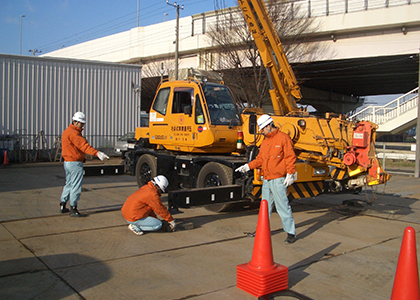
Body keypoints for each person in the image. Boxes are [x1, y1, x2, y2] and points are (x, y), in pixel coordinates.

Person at [235, 114, 297, 244]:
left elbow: (290, 157)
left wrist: (290, 174)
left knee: (282, 207)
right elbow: (260, 160)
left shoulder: (283, 138)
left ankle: (290, 233)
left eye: (263, 129)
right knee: (264, 208)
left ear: (269, 126)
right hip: (267, 179)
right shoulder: (265, 142)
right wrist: (247, 166)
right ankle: (261, 231)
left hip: (279, 179)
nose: (262, 132)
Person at [60, 111, 109, 217]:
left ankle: (63, 204)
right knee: (76, 185)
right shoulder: (74, 134)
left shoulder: (67, 131)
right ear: (75, 122)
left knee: (68, 183)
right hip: (75, 163)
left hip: (67, 162)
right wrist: (97, 153)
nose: (82, 126)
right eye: (81, 123)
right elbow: (84, 146)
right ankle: (73, 208)